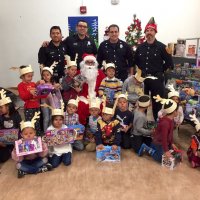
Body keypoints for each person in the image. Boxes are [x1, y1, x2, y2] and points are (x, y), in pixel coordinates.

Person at [134, 17, 174, 121]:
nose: (149, 32)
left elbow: (169, 63)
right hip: (143, 80)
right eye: (147, 30)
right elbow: (136, 62)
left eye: (151, 30)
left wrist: (160, 71)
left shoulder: (162, 47)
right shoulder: (140, 47)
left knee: (157, 105)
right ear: (145, 33)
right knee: (143, 103)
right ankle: (142, 124)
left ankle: (157, 125)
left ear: (155, 32)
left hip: (157, 80)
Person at [138, 95, 178, 163]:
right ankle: (146, 148)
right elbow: (164, 138)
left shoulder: (171, 120)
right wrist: (166, 151)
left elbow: (170, 134)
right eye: (177, 111)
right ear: (174, 112)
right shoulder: (165, 123)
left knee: (174, 155)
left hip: (165, 143)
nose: (178, 112)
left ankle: (162, 150)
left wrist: (172, 143)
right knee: (160, 159)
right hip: (158, 143)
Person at [12, 112, 52, 178]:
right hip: (26, 161)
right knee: (18, 165)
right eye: (26, 134)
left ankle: (25, 171)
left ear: (35, 133)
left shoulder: (38, 140)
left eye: (31, 133)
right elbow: (17, 158)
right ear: (21, 135)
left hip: (36, 159)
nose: (29, 135)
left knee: (45, 159)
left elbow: (43, 154)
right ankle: (40, 170)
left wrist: (42, 146)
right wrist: (16, 150)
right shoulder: (20, 142)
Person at [77, 54, 105, 125]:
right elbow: (75, 87)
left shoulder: (100, 73)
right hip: (83, 97)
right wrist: (77, 89)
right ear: (84, 64)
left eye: (91, 62)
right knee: (80, 106)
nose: (89, 65)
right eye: (87, 62)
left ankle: (100, 126)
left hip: (97, 97)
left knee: (102, 106)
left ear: (94, 64)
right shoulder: (80, 73)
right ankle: (81, 127)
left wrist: (102, 94)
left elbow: (104, 85)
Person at [17, 65, 44, 136]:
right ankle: (30, 136)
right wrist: (30, 93)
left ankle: (38, 136)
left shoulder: (33, 83)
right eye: (28, 76)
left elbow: (37, 90)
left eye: (31, 76)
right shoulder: (20, 85)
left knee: (37, 122)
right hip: (29, 108)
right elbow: (23, 97)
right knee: (30, 123)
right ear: (22, 77)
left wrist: (38, 83)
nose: (31, 78)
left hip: (37, 106)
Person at [47, 101, 72, 168]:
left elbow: (69, 138)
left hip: (65, 149)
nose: (58, 121)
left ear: (63, 120)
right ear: (52, 120)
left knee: (67, 163)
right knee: (54, 165)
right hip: (56, 150)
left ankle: (64, 156)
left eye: (60, 119)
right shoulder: (50, 129)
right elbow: (49, 142)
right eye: (56, 119)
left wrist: (70, 138)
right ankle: (58, 158)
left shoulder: (65, 127)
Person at [0, 89, 21, 163]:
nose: (0, 110)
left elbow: (21, 128)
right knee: (2, 157)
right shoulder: (1, 117)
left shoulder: (16, 115)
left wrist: (19, 140)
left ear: (8, 107)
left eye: (1, 107)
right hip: (5, 142)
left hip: (16, 141)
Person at [40, 62, 61, 131]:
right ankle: (45, 132)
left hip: (53, 103)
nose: (46, 77)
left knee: (51, 117)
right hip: (45, 104)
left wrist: (57, 87)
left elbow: (57, 92)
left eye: (47, 75)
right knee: (46, 118)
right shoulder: (42, 83)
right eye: (44, 75)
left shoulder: (53, 82)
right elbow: (40, 92)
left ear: (51, 75)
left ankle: (49, 131)